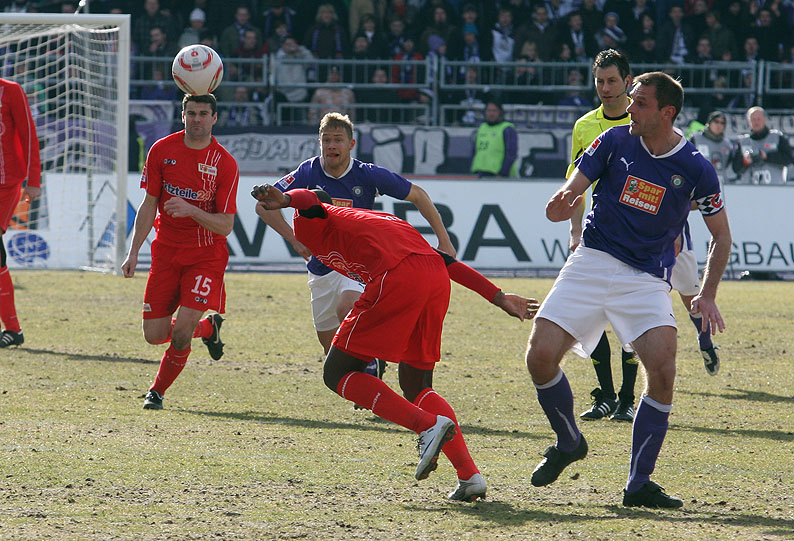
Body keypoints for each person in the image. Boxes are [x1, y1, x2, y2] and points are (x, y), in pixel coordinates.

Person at [252, 183, 539, 501]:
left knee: (336, 373)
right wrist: (498, 297)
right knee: (417, 385)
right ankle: (469, 476)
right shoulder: (371, 221)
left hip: (398, 276)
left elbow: (309, 201)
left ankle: (426, 425)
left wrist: (287, 199)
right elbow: (445, 262)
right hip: (433, 279)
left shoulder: (315, 218)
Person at [526, 71, 731, 508]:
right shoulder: (614, 140)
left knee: (663, 371)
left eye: (640, 103)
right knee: (539, 356)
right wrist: (562, 200)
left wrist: (708, 292)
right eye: (631, 100)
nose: (629, 108)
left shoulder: (696, 167)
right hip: (592, 260)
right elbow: (574, 188)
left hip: (646, 279)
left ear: (666, 112)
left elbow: (721, 236)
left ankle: (638, 484)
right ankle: (569, 441)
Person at [255, 112, 454, 371]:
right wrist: (295, 240)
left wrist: (444, 240)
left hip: (358, 264)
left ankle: (371, 364)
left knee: (347, 307)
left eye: (338, 140)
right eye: (326, 140)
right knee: (332, 351)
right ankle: (368, 365)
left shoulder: (366, 174)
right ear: (319, 143)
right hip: (322, 267)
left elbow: (418, 195)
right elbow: (264, 206)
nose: (331, 145)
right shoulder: (307, 171)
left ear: (351, 144)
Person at [122, 94, 240, 410]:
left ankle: (156, 391)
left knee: (181, 333)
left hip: (205, 257)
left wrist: (192, 210)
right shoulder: (162, 150)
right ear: (183, 115)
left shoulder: (224, 163)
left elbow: (226, 225)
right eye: (191, 113)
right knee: (153, 334)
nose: (197, 119)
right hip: (166, 253)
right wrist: (133, 252)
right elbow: (149, 203)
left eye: (203, 113)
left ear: (214, 118)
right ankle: (208, 328)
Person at [567, 49, 638, 422]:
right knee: (589, 316)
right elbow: (576, 185)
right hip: (598, 236)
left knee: (631, 320)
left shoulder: (644, 120)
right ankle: (606, 395)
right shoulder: (584, 126)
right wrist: (574, 231)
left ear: (628, 81)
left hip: (639, 238)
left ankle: (628, 398)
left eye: (612, 81)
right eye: (599, 81)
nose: (605, 88)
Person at [0, 78, 41, 348]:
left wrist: (33, 179)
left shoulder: (10, 91)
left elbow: (28, 134)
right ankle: (13, 330)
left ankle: (13, 329)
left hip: (5, 183)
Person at [732, 106, 793, 185]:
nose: (756, 122)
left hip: (774, 186)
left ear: (764, 119)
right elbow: (735, 168)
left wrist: (767, 156)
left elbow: (788, 159)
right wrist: (745, 161)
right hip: (749, 187)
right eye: (753, 119)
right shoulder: (743, 141)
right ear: (748, 121)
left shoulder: (777, 137)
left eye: (758, 119)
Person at [470, 101, 518, 178]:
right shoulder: (482, 128)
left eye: (494, 111)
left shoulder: (507, 129)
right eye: (489, 111)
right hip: (479, 172)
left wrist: (502, 173)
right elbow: (474, 150)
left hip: (497, 175)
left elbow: (511, 154)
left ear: (500, 113)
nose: (491, 114)